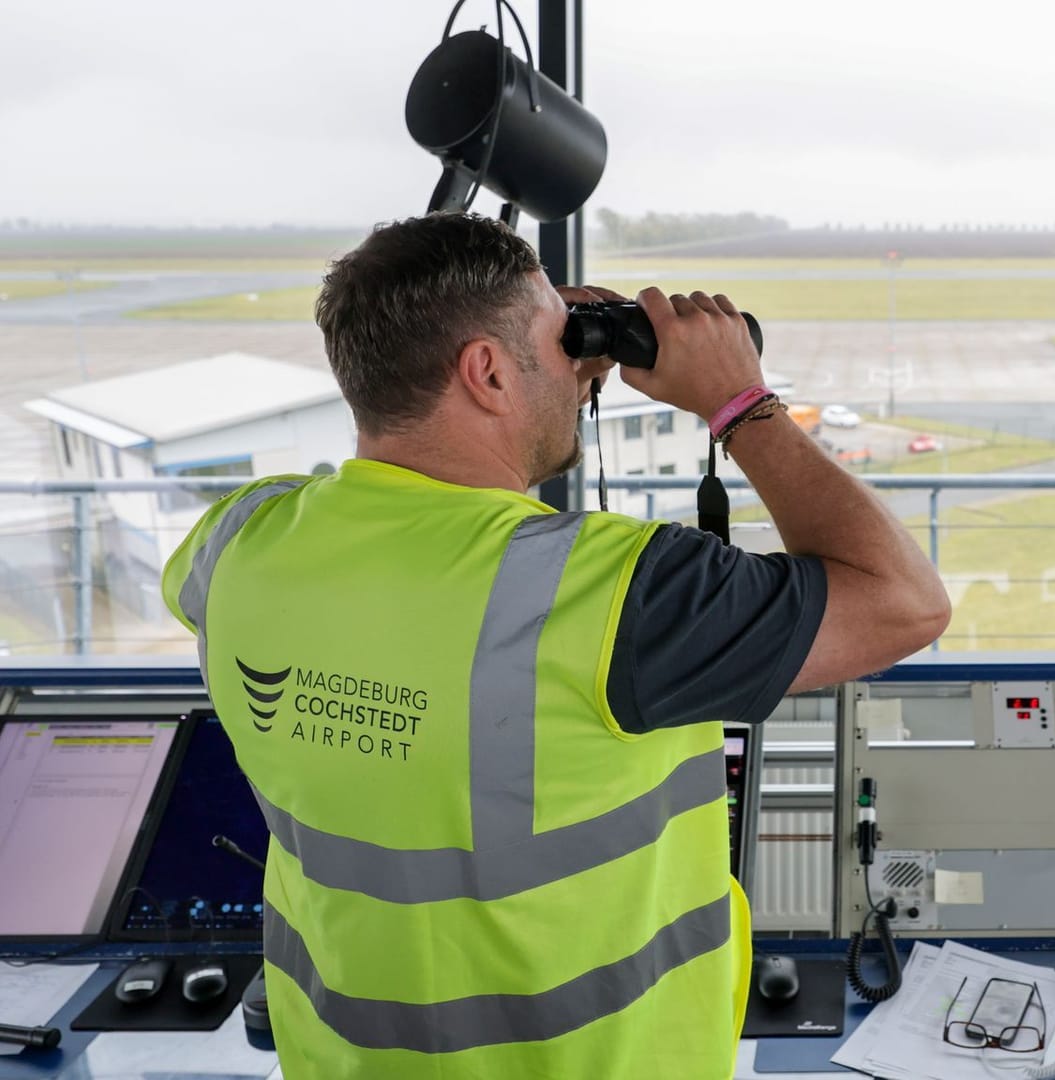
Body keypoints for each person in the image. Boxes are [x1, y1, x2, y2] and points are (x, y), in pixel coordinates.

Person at [161, 212, 950, 1079]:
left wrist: (525, 330)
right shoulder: (609, 591)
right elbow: (906, 603)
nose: (577, 365)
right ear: (488, 371)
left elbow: (409, 535)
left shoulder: (235, 542)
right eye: (557, 341)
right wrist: (739, 402)